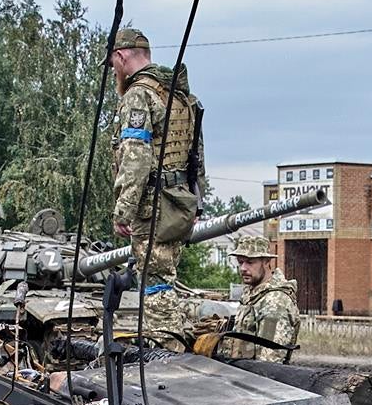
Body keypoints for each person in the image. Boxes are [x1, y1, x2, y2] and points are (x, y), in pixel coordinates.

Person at [109, 28, 206, 339]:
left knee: (155, 283)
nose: (114, 72)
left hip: (153, 206)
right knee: (164, 277)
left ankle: (165, 352)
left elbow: (135, 157)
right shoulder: (179, 94)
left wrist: (124, 210)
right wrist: (197, 200)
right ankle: (167, 345)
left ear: (121, 57)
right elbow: (196, 152)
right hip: (179, 201)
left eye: (113, 65)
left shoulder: (139, 95)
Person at [228, 233, 300, 361]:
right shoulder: (253, 295)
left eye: (250, 262)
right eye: (240, 262)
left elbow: (269, 358)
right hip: (240, 374)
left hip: (255, 378)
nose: (243, 268)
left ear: (266, 262)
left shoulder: (275, 302)